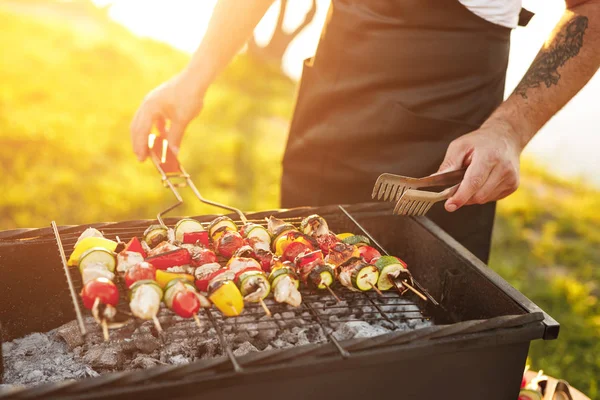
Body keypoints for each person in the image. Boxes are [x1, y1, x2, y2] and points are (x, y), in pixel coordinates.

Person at [130, 0, 600, 263]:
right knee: (295, 263)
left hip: (449, 119)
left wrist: (510, 130)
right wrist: (195, 76)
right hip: (333, 90)